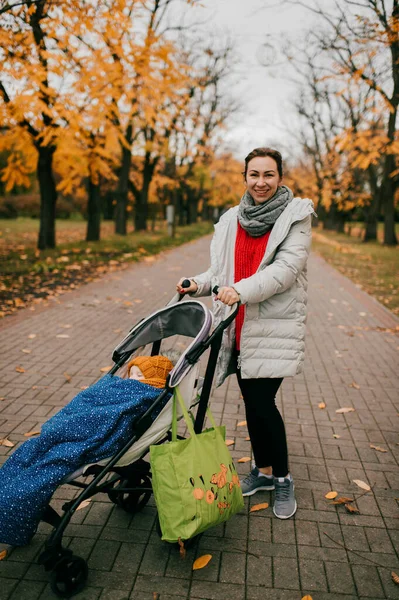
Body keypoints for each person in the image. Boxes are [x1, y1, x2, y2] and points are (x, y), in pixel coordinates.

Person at [177, 147, 315, 520]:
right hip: (236, 328)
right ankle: (264, 472)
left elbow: (284, 272)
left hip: (270, 327)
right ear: (245, 177)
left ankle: (283, 478)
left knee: (262, 404)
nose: (261, 182)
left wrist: (240, 291)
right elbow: (221, 271)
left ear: (280, 178)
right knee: (253, 404)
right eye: (254, 174)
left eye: (269, 175)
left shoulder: (296, 218)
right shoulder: (230, 220)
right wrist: (199, 284)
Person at [0, 355, 174, 547]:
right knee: (30, 451)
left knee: (45, 466)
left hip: (88, 437)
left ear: (155, 379)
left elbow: (114, 417)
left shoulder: (147, 395)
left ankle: (11, 509)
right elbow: (87, 401)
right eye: (131, 374)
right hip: (71, 428)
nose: (132, 379)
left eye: (138, 375)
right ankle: (11, 507)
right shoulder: (119, 386)